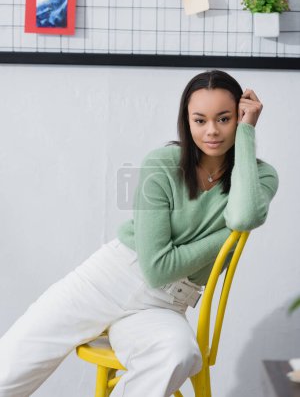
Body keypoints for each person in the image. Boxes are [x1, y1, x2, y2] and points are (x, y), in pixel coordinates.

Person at [0, 70, 278, 397]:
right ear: (186, 122)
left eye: (225, 119)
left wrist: (247, 133)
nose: (212, 131)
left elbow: (244, 215)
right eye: (200, 120)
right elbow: (157, 267)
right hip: (108, 280)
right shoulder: (162, 164)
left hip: (165, 305)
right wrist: (227, 240)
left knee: (179, 355)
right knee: (12, 366)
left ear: (240, 118)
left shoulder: (261, 177)